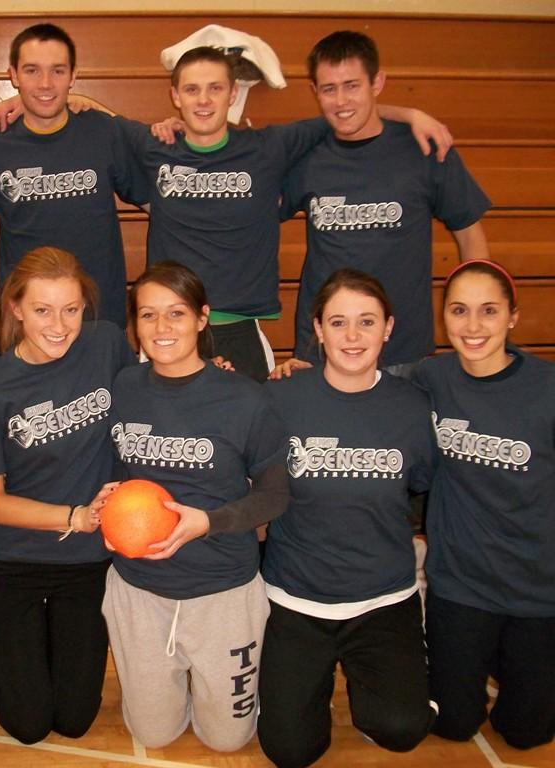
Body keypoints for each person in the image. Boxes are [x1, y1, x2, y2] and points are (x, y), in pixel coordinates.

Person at [113, 46, 450, 382]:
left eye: (215, 88)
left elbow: (345, 113)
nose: (203, 100)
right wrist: (86, 102)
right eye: (191, 89)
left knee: (252, 417)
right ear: (175, 96)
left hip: (241, 329)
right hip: (167, 327)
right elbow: (102, 122)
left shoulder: (267, 147)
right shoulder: (155, 146)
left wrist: (410, 114)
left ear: (233, 94)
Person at [101, 261, 288, 751]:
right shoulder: (123, 388)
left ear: (203, 318)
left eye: (176, 313)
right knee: (153, 733)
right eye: (148, 315)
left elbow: (274, 494)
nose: (161, 327)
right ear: (134, 324)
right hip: (141, 588)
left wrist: (209, 522)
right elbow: (115, 470)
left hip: (222, 589)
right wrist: (107, 507)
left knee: (228, 740)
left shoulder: (245, 398)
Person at [259, 269, 436, 767]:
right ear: (318, 329)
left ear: (388, 328)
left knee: (403, 730)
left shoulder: (412, 406)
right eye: (338, 322)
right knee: (290, 750)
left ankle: (382, 684)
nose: (353, 336)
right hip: (296, 598)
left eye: (367, 321)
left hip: (384, 599)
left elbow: (421, 484)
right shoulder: (279, 398)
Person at [0, 246, 134, 744]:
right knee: (27, 725)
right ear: (16, 308)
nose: (59, 326)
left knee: (74, 720)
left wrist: (209, 372)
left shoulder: (105, 344)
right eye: (42, 310)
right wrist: (73, 516)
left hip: (85, 562)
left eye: (71, 309)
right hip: (14, 560)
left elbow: (149, 393)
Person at [282, 30, 491, 374]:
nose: (341, 101)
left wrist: (476, 316)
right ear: (314, 91)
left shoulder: (423, 148)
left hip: (404, 354)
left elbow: (470, 236)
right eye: (329, 89)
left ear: (377, 83)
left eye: (352, 85)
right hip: (323, 353)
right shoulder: (305, 155)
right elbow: (252, 210)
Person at [414, 260, 554, 750]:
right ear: (444, 316)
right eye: (459, 310)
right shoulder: (430, 377)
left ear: (512, 317)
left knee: (527, 734)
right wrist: (297, 371)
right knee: (452, 724)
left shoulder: (547, 389)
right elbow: (362, 385)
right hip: (461, 586)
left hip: (538, 589)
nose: (472, 326)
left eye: (488, 311)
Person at [0, 23, 141, 328]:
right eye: (32, 71)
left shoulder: (104, 133)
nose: (45, 84)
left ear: (73, 75)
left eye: (58, 71)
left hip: (98, 317)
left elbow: (158, 201)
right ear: (13, 75)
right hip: (28, 322)